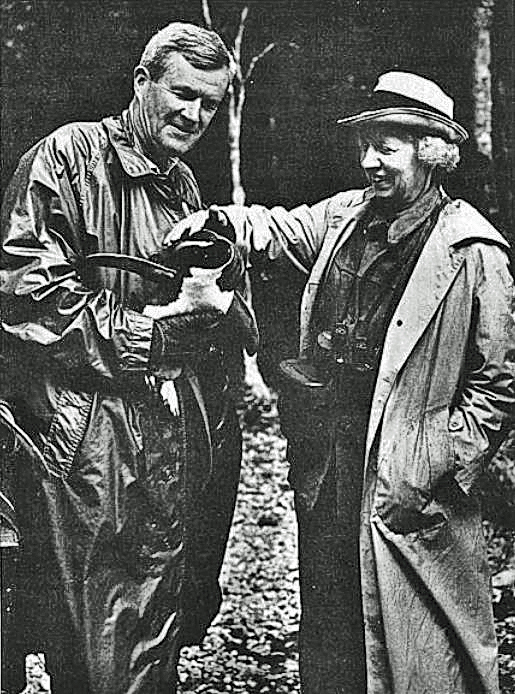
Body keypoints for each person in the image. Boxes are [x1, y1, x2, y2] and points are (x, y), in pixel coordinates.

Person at [174, 71, 515, 693]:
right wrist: (220, 220)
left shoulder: (472, 253)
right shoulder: (346, 217)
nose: (368, 162)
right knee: (330, 626)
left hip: (408, 482)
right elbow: (279, 229)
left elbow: (498, 387)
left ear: (430, 152)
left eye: (387, 148)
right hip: (330, 468)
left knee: (417, 646)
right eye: (366, 146)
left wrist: (433, 461)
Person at [0, 22, 256, 694]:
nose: (193, 115)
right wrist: (153, 337)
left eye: (209, 104)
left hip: (163, 444)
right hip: (85, 449)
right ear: (142, 82)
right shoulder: (68, 158)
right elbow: (27, 295)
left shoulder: (182, 185)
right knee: (98, 652)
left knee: (151, 642)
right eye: (182, 94)